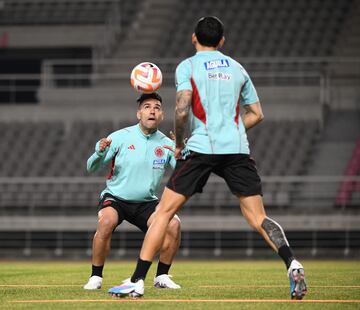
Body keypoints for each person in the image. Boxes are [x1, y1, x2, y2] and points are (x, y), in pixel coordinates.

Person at [108, 16, 307, 300]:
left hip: (201, 148)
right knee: (258, 216)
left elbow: (180, 109)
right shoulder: (238, 69)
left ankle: (137, 281)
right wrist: (233, 128)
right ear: (222, 41)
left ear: (193, 38)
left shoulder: (188, 66)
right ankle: (292, 262)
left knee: (163, 213)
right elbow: (257, 114)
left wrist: (178, 143)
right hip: (237, 149)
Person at [84, 92, 181, 291]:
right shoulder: (119, 137)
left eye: (157, 107)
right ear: (139, 114)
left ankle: (161, 276)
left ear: (161, 115)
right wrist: (99, 152)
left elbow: (183, 172)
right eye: (147, 107)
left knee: (174, 225)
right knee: (106, 221)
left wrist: (182, 153)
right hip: (116, 198)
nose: (152, 110)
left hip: (147, 201)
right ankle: (96, 277)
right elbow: (91, 167)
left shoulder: (167, 143)